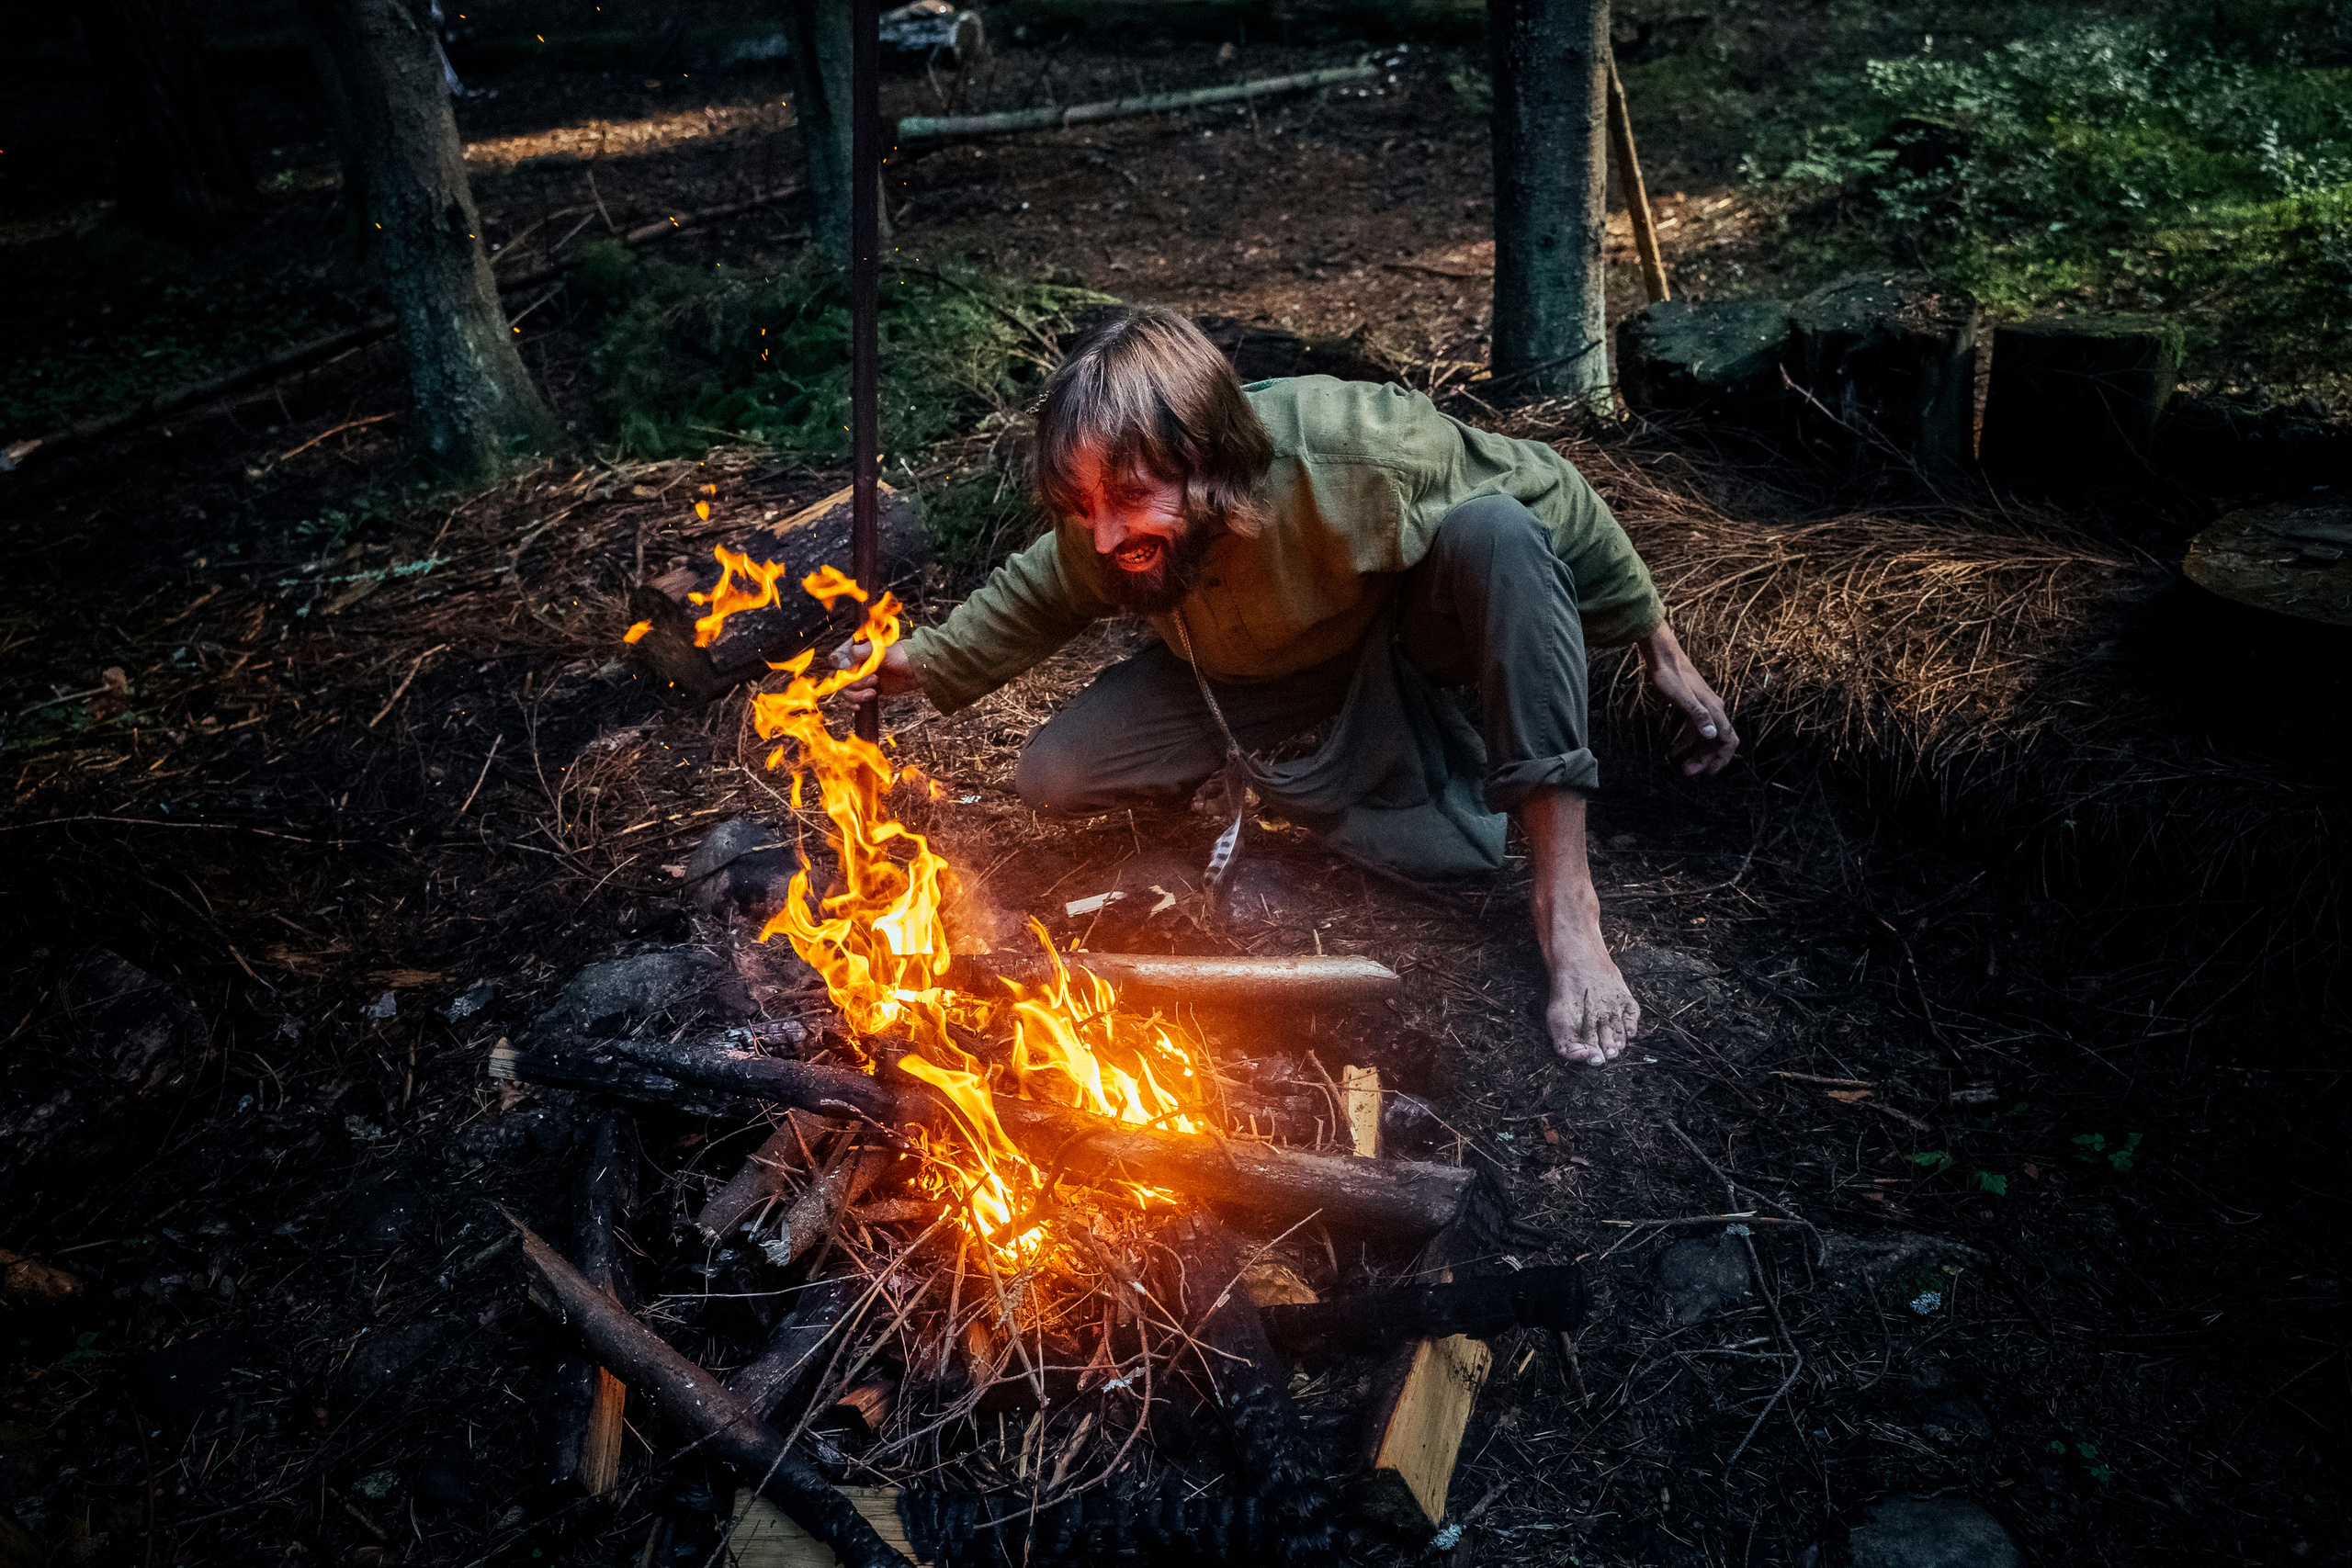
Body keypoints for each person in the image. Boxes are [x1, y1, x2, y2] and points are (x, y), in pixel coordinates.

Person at [840, 307, 1737, 1066]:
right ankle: (1253, 772)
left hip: (1392, 648)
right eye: (1082, 508)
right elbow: (1037, 591)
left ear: (1209, 460)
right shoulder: (1104, 518)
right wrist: (915, 663)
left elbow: (1555, 492)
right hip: (1234, 683)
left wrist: (1655, 645)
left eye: (1131, 497)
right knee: (1056, 773)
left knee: (1498, 534)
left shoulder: (1359, 451)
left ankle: (1562, 897)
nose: (1106, 536)